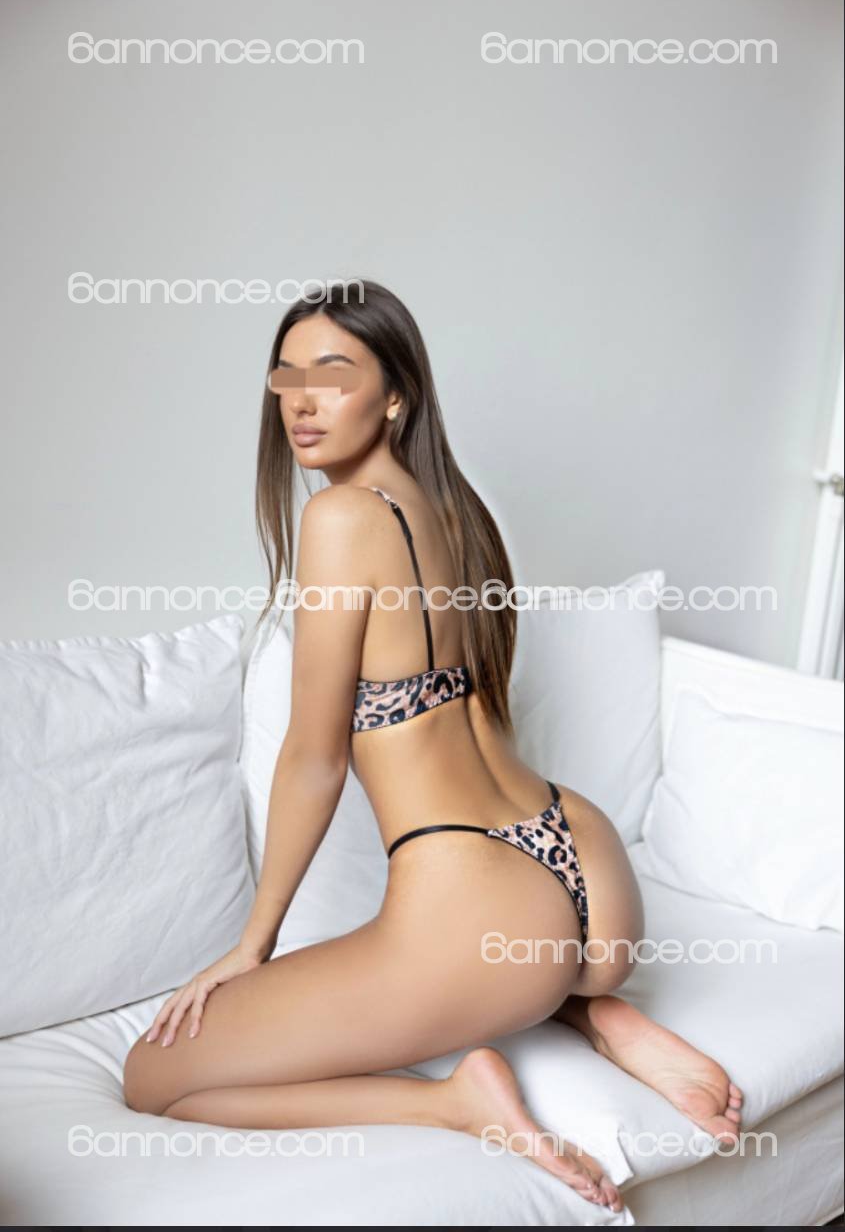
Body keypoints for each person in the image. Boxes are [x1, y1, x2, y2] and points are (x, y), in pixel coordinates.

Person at [123, 280, 743, 1211]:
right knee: (505, 962)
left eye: (334, 375)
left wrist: (252, 944)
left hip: (477, 902)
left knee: (151, 1078)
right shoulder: (459, 513)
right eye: (286, 376)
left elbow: (315, 756)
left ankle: (456, 1100)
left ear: (395, 395)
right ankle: (591, 1009)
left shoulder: (340, 518)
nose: (301, 401)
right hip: (583, 858)